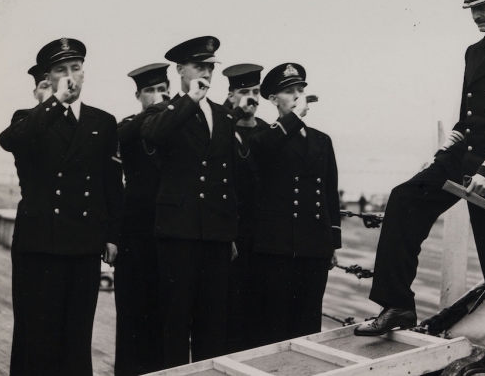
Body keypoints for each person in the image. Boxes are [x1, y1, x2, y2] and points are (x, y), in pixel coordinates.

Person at [355, 0, 485, 355]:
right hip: (465, 155)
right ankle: (396, 306)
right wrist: (443, 157)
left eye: (482, 7)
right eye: (471, 8)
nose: (477, 15)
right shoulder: (473, 52)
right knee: (404, 198)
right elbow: (467, 116)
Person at [0, 38, 123, 376]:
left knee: (77, 334)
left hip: (84, 243)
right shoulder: (29, 119)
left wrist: (113, 235)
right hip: (40, 244)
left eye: (76, 68)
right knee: (37, 335)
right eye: (60, 70)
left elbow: (111, 184)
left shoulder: (103, 121)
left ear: (84, 73)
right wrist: (51, 103)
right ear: (46, 79)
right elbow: (11, 141)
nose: (71, 75)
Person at [140, 36, 241, 368]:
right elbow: (153, 135)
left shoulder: (223, 117)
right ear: (181, 70)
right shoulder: (162, 110)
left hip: (215, 233)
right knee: (175, 321)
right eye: (199, 67)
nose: (206, 74)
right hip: (177, 232)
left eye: (210, 67)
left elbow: (228, 178)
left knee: (213, 322)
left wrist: (230, 233)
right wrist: (188, 101)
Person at [251, 63, 341, 345]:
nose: (298, 95)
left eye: (301, 90)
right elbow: (261, 150)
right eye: (289, 91)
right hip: (277, 248)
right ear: (273, 98)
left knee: (309, 322)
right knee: (274, 324)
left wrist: (332, 244)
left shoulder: (321, 140)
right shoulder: (264, 137)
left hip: (314, 246)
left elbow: (329, 194)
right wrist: (294, 118)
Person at [113, 63, 170, 375]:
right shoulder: (129, 127)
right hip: (134, 237)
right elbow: (113, 142)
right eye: (150, 90)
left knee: (167, 317)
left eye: (163, 90)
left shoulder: (181, 126)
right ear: (138, 95)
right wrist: (147, 117)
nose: (157, 96)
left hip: (171, 235)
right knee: (132, 315)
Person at [7, 64, 54, 376]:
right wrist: (51, 104)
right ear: (35, 91)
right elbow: (21, 144)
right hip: (34, 234)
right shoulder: (25, 119)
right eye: (44, 86)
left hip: (72, 237)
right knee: (31, 321)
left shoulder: (84, 124)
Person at [221, 64, 269, 353]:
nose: (250, 98)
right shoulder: (223, 130)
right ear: (231, 96)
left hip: (263, 234)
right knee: (232, 310)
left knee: (261, 309)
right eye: (243, 92)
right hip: (233, 233)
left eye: (254, 91)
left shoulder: (267, 131)